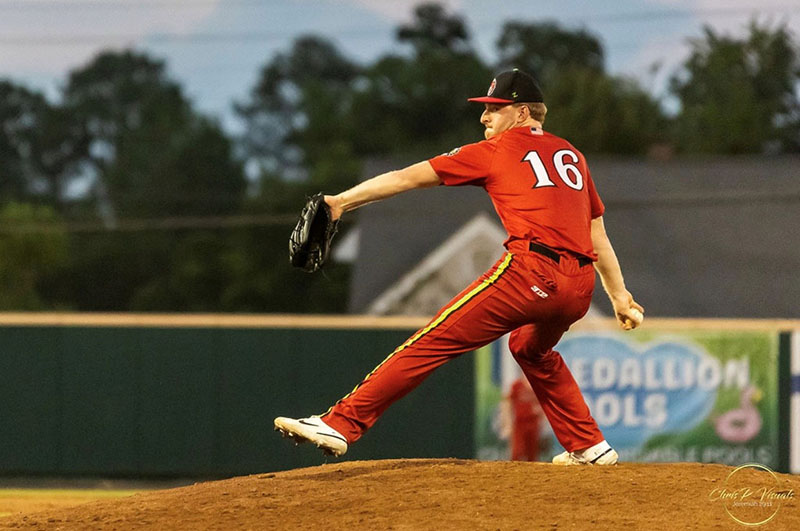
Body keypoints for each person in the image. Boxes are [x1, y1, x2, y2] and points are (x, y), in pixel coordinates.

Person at [275, 68, 644, 465]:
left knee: (431, 339)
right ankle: (589, 445)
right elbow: (596, 233)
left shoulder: (497, 150)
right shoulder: (572, 154)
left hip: (531, 271)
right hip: (579, 287)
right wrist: (619, 296)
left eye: (494, 108)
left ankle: (340, 423)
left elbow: (407, 178)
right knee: (530, 348)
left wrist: (340, 202)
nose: (485, 117)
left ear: (521, 112)